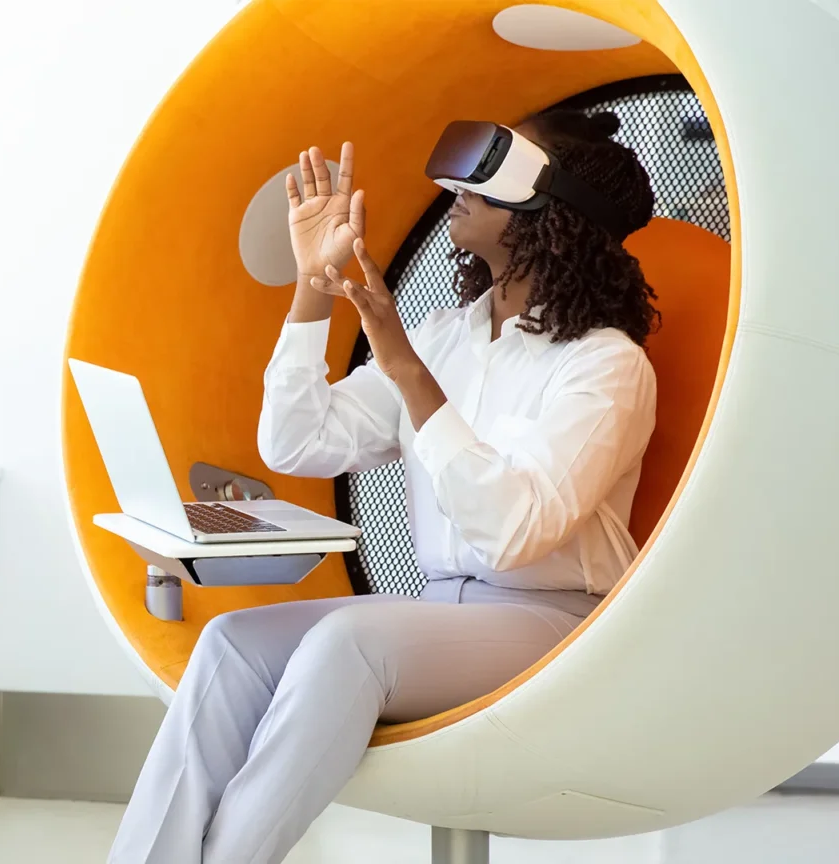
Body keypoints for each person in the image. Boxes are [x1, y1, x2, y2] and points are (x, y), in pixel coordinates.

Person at [109, 110, 661, 863]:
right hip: (437, 616)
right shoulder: (444, 335)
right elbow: (297, 441)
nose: (453, 184)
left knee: (349, 642)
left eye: (489, 166)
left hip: (553, 619)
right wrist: (313, 288)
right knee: (231, 645)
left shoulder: (606, 365)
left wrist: (404, 368)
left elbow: (514, 530)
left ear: (552, 213)